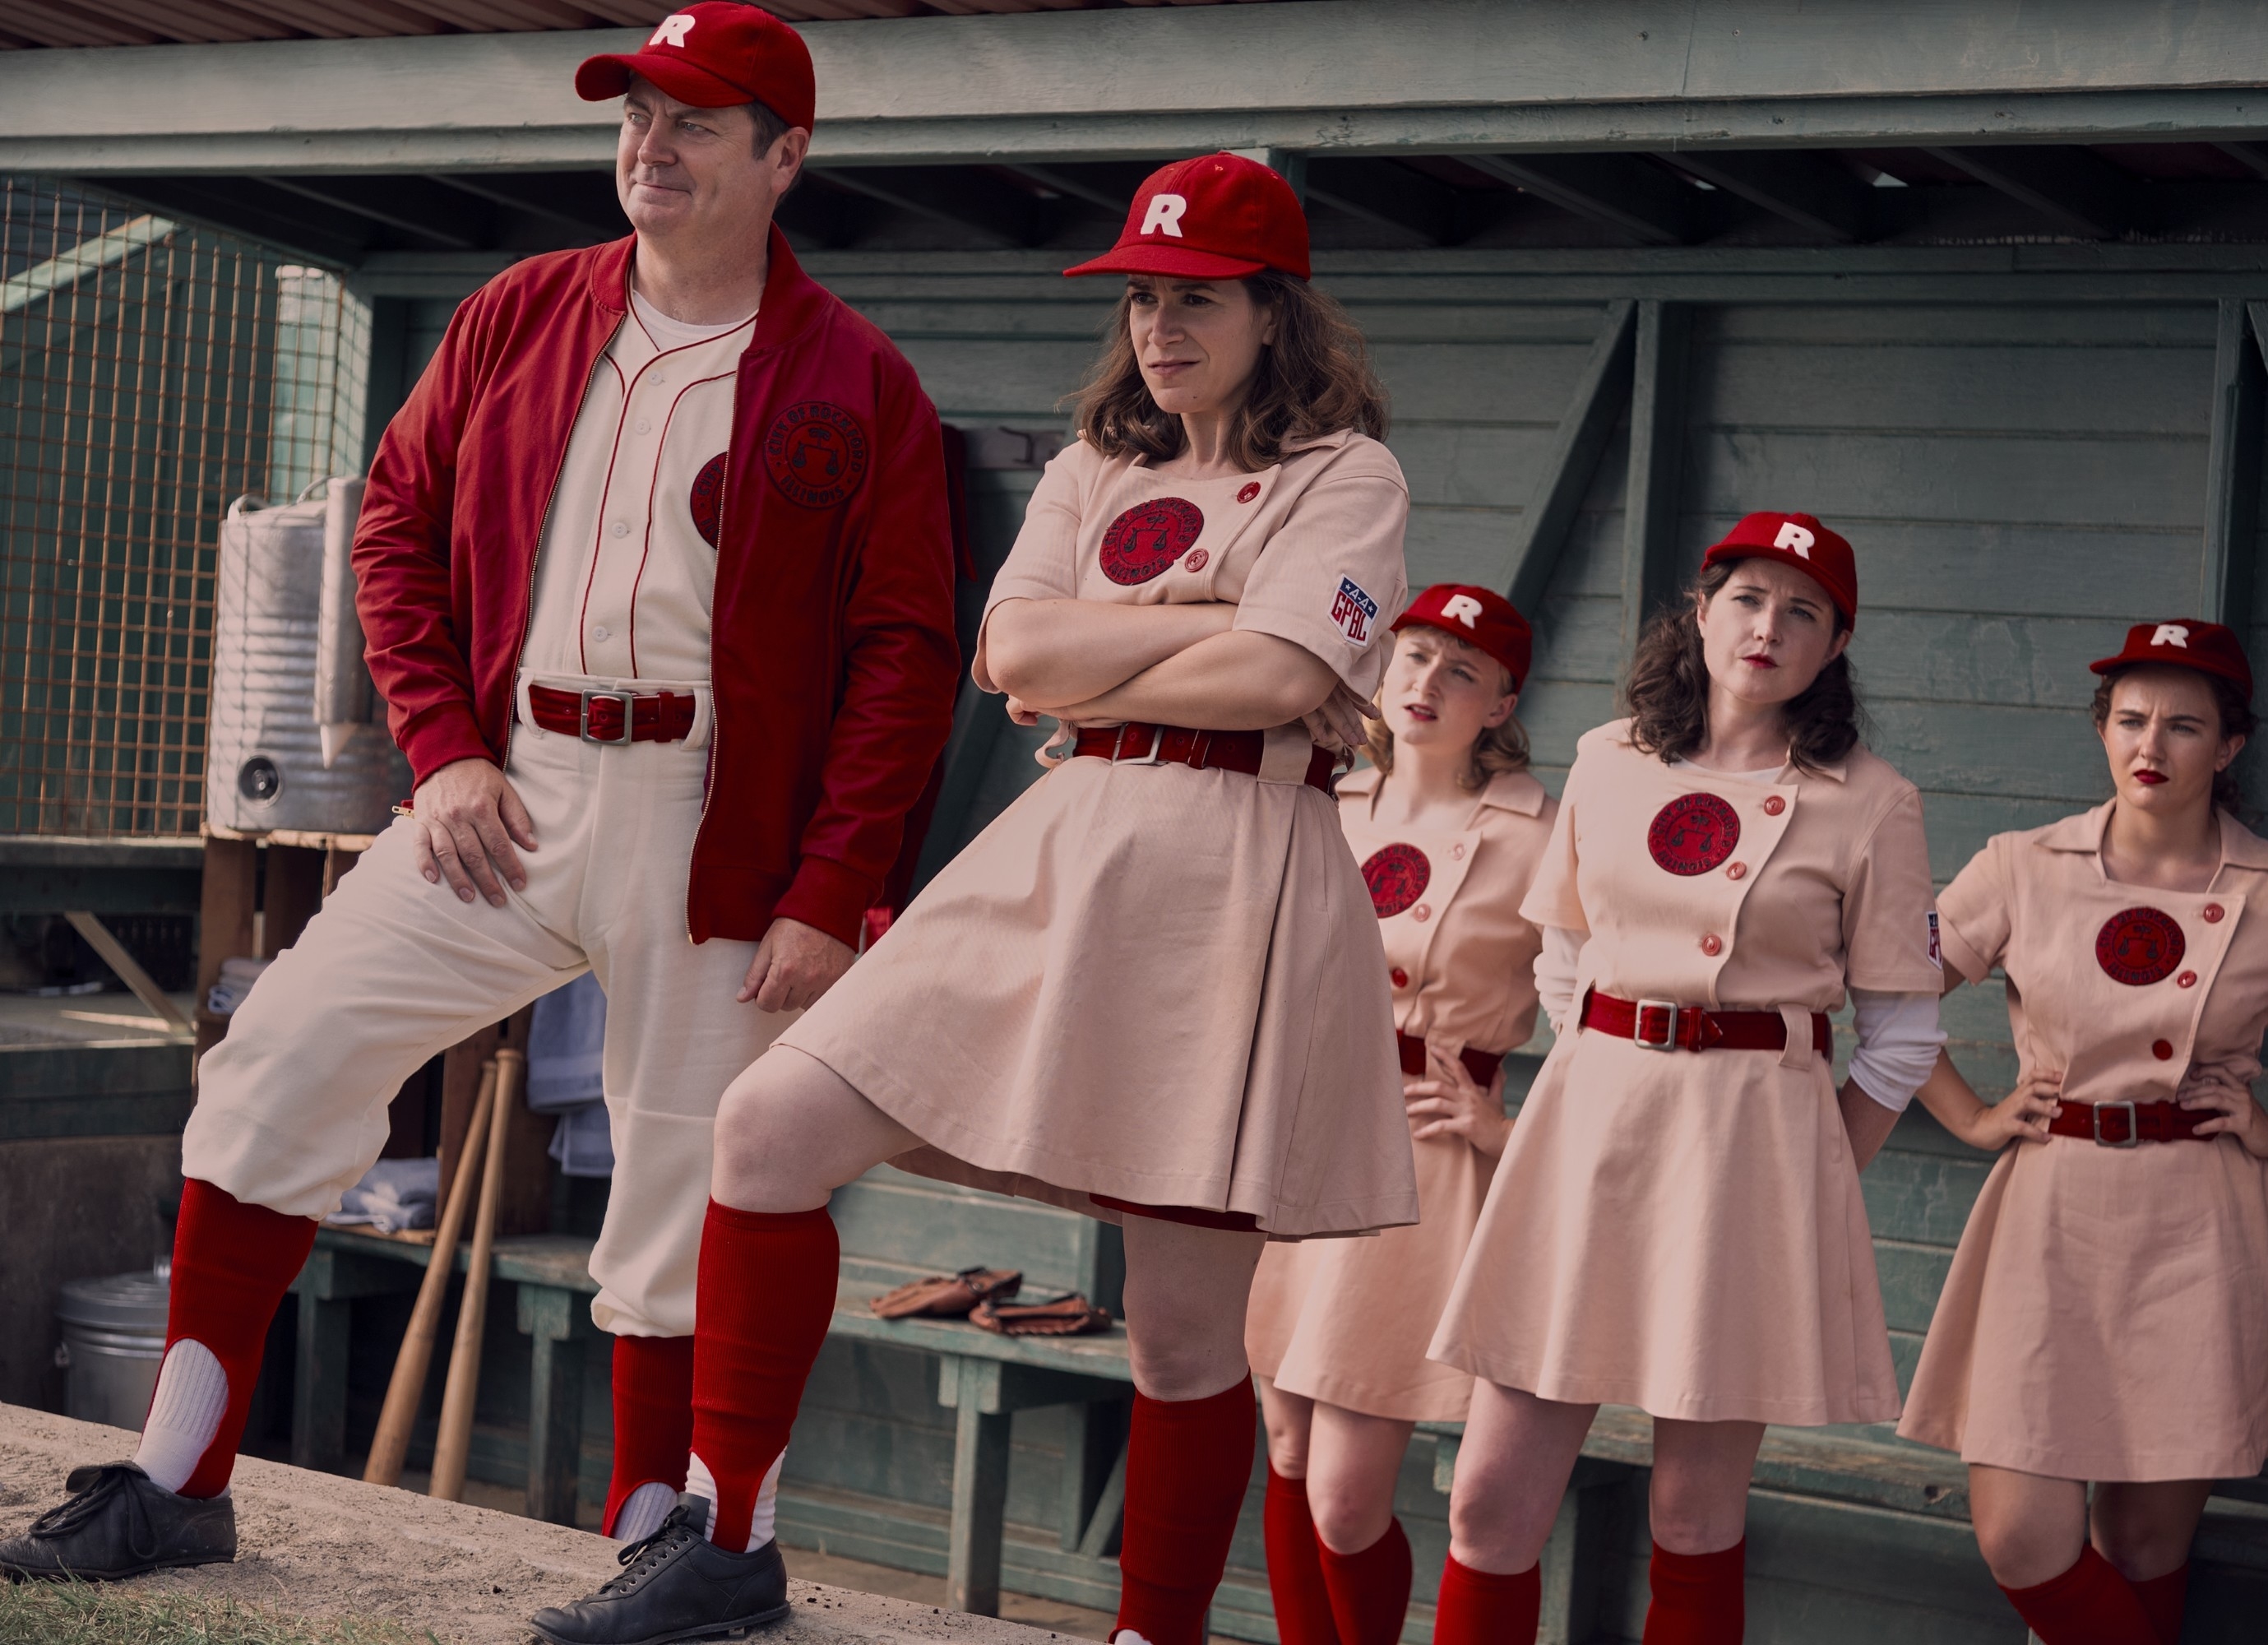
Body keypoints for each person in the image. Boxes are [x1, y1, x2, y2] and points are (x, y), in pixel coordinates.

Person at [0, 0, 958, 1587]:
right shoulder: (520, 310)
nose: (650, 146)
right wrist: (440, 748)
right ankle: (178, 1478)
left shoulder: (858, 379)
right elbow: (393, 520)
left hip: (714, 818)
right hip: (509, 787)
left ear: (785, 156)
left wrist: (832, 883)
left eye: (694, 122)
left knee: (685, 1188)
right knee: (278, 1059)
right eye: (635, 114)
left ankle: (675, 1548)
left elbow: (906, 656)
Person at [520, 151, 1419, 1645]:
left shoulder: (1348, 475)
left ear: (1275, 313)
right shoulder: (1091, 465)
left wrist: (1112, 643)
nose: (1159, 328)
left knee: (1183, 1331)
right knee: (768, 1125)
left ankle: (1153, 1632)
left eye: (1196, 300)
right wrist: (1194, 617)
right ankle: (728, 1539)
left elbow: (1278, 678)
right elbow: (1007, 656)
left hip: (1239, 871)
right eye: (1141, 298)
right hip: (1063, 842)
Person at [1423, 516, 1946, 1645]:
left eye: (1803, 611)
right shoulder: (1609, 757)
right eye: (1748, 598)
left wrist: (1811, 1174)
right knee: (1488, 1499)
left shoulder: (1874, 800)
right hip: (1593, 1130)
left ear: (1836, 645)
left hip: (1753, 1150)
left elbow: (1903, 1035)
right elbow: (1565, 956)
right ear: (1702, 613)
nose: (1769, 627)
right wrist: (1610, 1077)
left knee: (1695, 1512)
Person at [1897, 619, 2268, 1645]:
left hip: (2198, 1225)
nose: (2150, 743)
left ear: (2230, 744)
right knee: (2020, 1536)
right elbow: (1893, 999)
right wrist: (1972, 1114)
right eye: (2129, 718)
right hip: (2051, 1210)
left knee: (2145, 1542)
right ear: (2102, 729)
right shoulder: (2020, 864)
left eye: (2184, 725)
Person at [1245, 584, 1555, 1645]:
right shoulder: (1318, 798)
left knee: (1344, 1495)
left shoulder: (1541, 833)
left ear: (1501, 704)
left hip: (1420, 1159)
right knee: (1288, 1448)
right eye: (1414, 655)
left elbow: (1602, 1007)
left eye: (1462, 670)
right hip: (1294, 1135)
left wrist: (1506, 1127)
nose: (1427, 681)